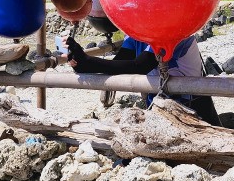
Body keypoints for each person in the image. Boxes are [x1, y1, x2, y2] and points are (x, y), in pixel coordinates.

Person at [66, 33, 221, 126]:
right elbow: (117, 64)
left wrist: (87, 61)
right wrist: (81, 64)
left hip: (194, 108)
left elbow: (139, 66)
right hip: (162, 109)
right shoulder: (135, 35)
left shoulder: (176, 31)